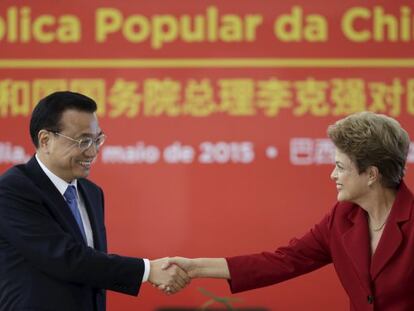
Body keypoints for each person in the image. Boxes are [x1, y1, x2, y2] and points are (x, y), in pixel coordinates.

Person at [163, 112, 413, 310]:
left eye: (340, 167)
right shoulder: (342, 217)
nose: (333, 174)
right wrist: (195, 268)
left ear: (371, 174)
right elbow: (282, 262)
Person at [0, 91, 189, 311]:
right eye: (83, 141)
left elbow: (92, 265)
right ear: (45, 140)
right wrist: (147, 271)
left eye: (97, 139)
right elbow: (67, 258)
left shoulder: (91, 192)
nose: (92, 151)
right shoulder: (12, 190)